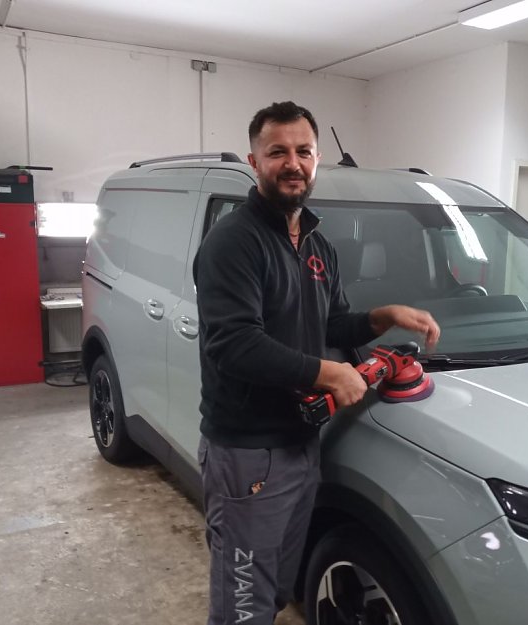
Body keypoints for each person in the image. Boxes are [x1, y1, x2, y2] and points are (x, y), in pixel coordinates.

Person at [193, 100, 440, 625]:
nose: (292, 163)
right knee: (243, 606)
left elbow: (330, 325)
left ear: (316, 157)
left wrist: (384, 317)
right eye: (277, 151)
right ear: (253, 161)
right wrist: (329, 373)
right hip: (248, 453)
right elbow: (232, 344)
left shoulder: (317, 245)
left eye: (302, 151)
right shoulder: (233, 243)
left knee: (278, 587)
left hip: (302, 445)